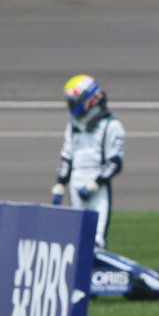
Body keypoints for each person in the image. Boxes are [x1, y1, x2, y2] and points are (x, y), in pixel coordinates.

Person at [50, 74, 124, 248]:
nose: (73, 105)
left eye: (76, 101)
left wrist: (95, 184)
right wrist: (60, 184)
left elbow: (114, 162)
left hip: (97, 188)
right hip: (76, 183)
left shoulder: (111, 126)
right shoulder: (73, 126)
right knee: (77, 238)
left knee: (96, 240)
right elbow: (67, 157)